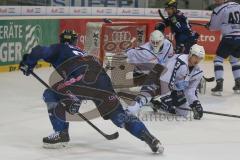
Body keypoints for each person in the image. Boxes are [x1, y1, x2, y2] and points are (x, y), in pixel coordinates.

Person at [19, 29, 164, 153]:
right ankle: (150, 138)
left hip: (80, 81)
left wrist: (28, 63)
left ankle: (61, 132)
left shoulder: (59, 48)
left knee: (50, 94)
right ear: (76, 41)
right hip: (102, 81)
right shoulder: (84, 52)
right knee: (119, 116)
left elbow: (38, 50)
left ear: (61, 40)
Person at [126, 44, 205, 120]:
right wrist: (165, 96)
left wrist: (195, 103)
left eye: (200, 58)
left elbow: (190, 89)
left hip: (173, 88)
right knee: (144, 98)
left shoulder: (198, 72)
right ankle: (128, 111)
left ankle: (157, 104)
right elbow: (166, 78)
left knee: (183, 112)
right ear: (190, 54)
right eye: (196, 57)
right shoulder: (179, 61)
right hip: (157, 78)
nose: (197, 60)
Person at [207, 0, 240, 96]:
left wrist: (209, 27)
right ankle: (238, 84)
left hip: (229, 37)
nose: (216, 1)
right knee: (234, 60)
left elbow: (213, 27)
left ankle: (219, 85)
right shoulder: (238, 5)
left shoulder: (219, 9)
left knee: (218, 59)